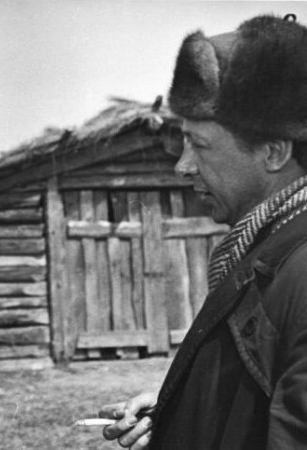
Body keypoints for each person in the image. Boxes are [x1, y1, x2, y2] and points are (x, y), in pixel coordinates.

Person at [100, 13, 307, 449]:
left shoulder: (298, 271)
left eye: (200, 144)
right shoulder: (263, 249)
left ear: (273, 153)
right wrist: (178, 412)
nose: (183, 166)